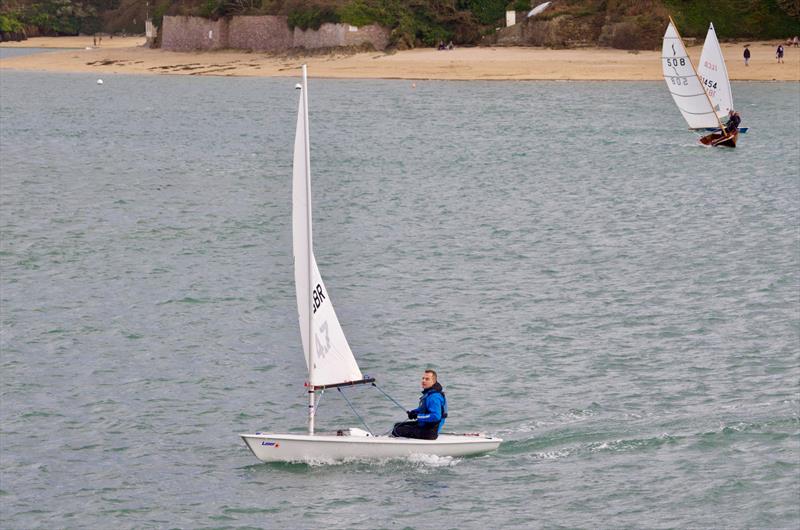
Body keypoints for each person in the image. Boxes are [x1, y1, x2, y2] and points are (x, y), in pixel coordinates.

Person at [391, 370, 447, 440]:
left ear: (434, 381)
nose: (423, 381)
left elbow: (436, 416)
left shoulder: (434, 397)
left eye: (427, 379)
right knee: (397, 425)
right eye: (423, 378)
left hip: (430, 432)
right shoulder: (430, 393)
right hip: (424, 426)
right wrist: (414, 412)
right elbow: (424, 409)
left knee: (397, 430)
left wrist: (418, 416)